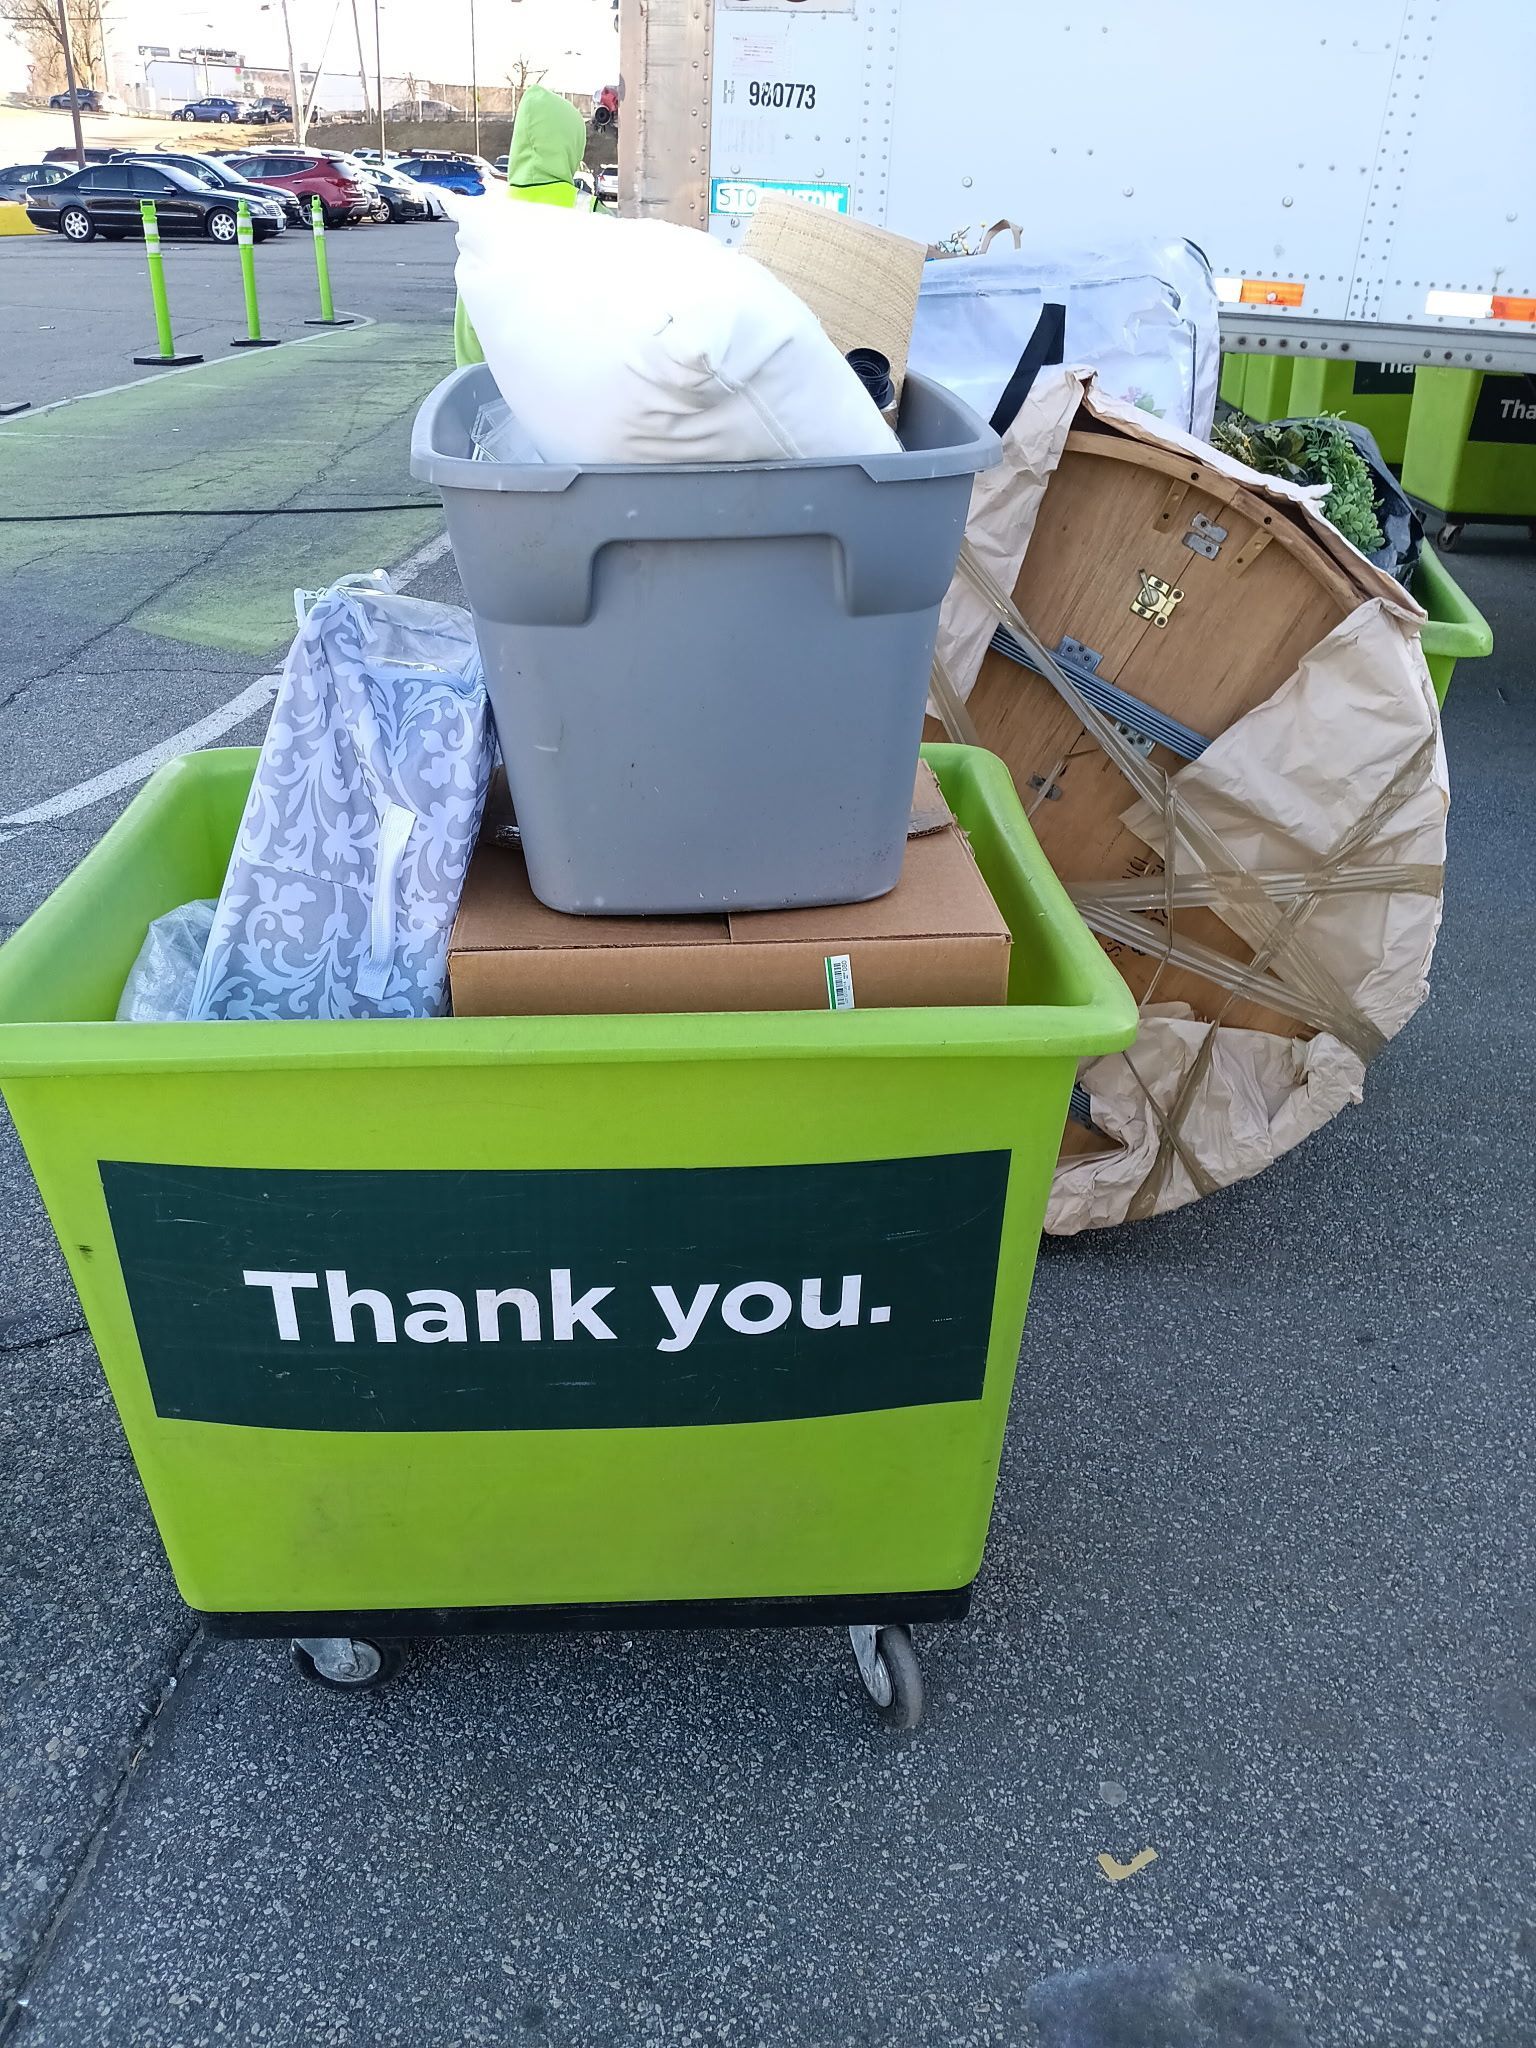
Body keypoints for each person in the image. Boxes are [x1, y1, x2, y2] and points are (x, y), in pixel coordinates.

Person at [454, 85, 599, 369]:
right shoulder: (592, 214)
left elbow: (468, 328)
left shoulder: (487, 218)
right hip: (577, 388)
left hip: (500, 391)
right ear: (572, 144)